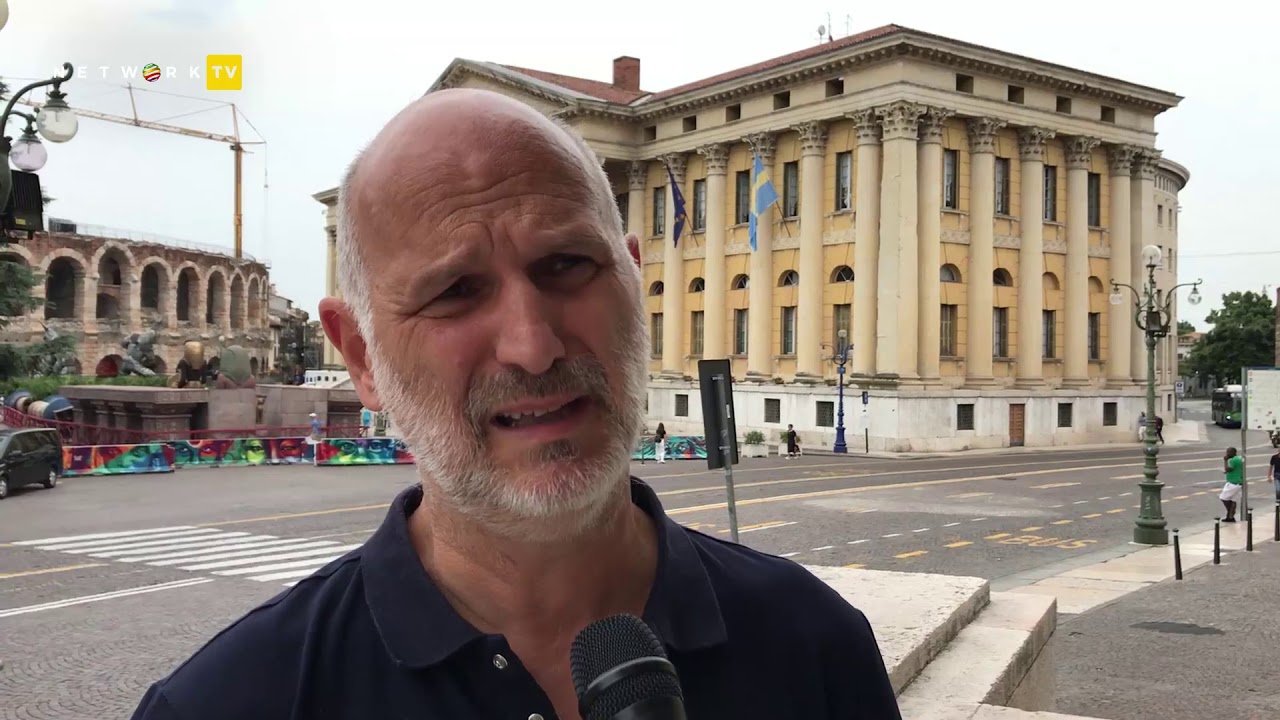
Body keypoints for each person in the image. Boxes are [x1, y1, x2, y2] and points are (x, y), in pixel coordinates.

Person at [128, 89, 900, 720]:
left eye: (565, 265)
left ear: (634, 287)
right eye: (456, 291)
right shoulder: (226, 705)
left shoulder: (816, 645)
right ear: (360, 356)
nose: (532, 345)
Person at [1220, 446, 1245, 522]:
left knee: (1223, 498)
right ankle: (1231, 517)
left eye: (1228, 452)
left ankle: (1230, 513)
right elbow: (1236, 469)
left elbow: (1227, 469)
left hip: (1233, 483)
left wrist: (1225, 461)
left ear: (1233, 452)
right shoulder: (1240, 458)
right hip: (1239, 482)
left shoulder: (1233, 460)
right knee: (1233, 500)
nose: (1227, 454)